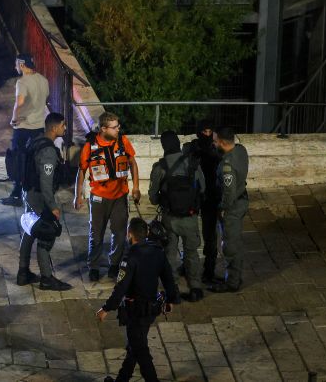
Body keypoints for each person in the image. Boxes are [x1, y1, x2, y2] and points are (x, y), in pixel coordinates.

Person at [96, 218, 180, 382]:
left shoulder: (130, 258)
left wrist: (106, 308)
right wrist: (171, 299)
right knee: (135, 346)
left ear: (130, 235)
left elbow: (121, 288)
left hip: (135, 311)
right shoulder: (158, 252)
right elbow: (169, 279)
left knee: (140, 351)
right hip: (151, 310)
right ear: (147, 233)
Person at [75, 112, 142, 282]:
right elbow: (81, 171)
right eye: (114, 127)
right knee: (96, 234)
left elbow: (132, 163)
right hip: (99, 197)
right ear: (103, 128)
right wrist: (78, 195)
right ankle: (94, 266)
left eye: (118, 126)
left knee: (119, 234)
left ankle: (114, 264)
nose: (118, 129)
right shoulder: (90, 146)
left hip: (120, 195)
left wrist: (136, 187)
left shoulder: (122, 141)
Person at [17, 112, 73, 291]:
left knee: (30, 230)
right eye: (63, 125)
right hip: (39, 196)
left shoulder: (35, 140)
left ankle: (23, 272)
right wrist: (53, 206)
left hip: (28, 191)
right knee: (47, 233)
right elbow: (46, 182)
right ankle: (47, 278)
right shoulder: (48, 150)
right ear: (54, 127)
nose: (65, 128)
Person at [149, 130, 206, 302]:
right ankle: (195, 287)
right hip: (190, 217)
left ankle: (171, 289)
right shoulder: (192, 163)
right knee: (192, 252)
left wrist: (164, 199)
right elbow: (202, 188)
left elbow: (152, 197)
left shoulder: (160, 167)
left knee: (169, 253)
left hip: (170, 218)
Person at [0, 53, 49, 206]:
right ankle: (35, 193)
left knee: (18, 161)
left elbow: (19, 103)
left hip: (24, 127)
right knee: (34, 161)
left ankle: (16, 195)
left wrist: (14, 119)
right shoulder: (44, 80)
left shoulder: (22, 82)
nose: (15, 67)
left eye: (16, 64)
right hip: (39, 125)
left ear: (22, 65)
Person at [207, 126, 249, 293]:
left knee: (230, 245)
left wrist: (222, 208)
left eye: (215, 141)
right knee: (234, 240)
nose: (213, 142)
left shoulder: (227, 166)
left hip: (233, 206)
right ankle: (235, 277)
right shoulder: (241, 150)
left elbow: (229, 193)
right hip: (242, 198)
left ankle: (232, 282)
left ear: (223, 142)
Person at [183, 120, 222, 283]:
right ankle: (187, 266)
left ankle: (209, 269)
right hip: (194, 196)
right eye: (204, 131)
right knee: (188, 233)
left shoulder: (216, 148)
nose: (207, 134)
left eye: (209, 131)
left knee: (210, 235)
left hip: (211, 197)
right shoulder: (191, 148)